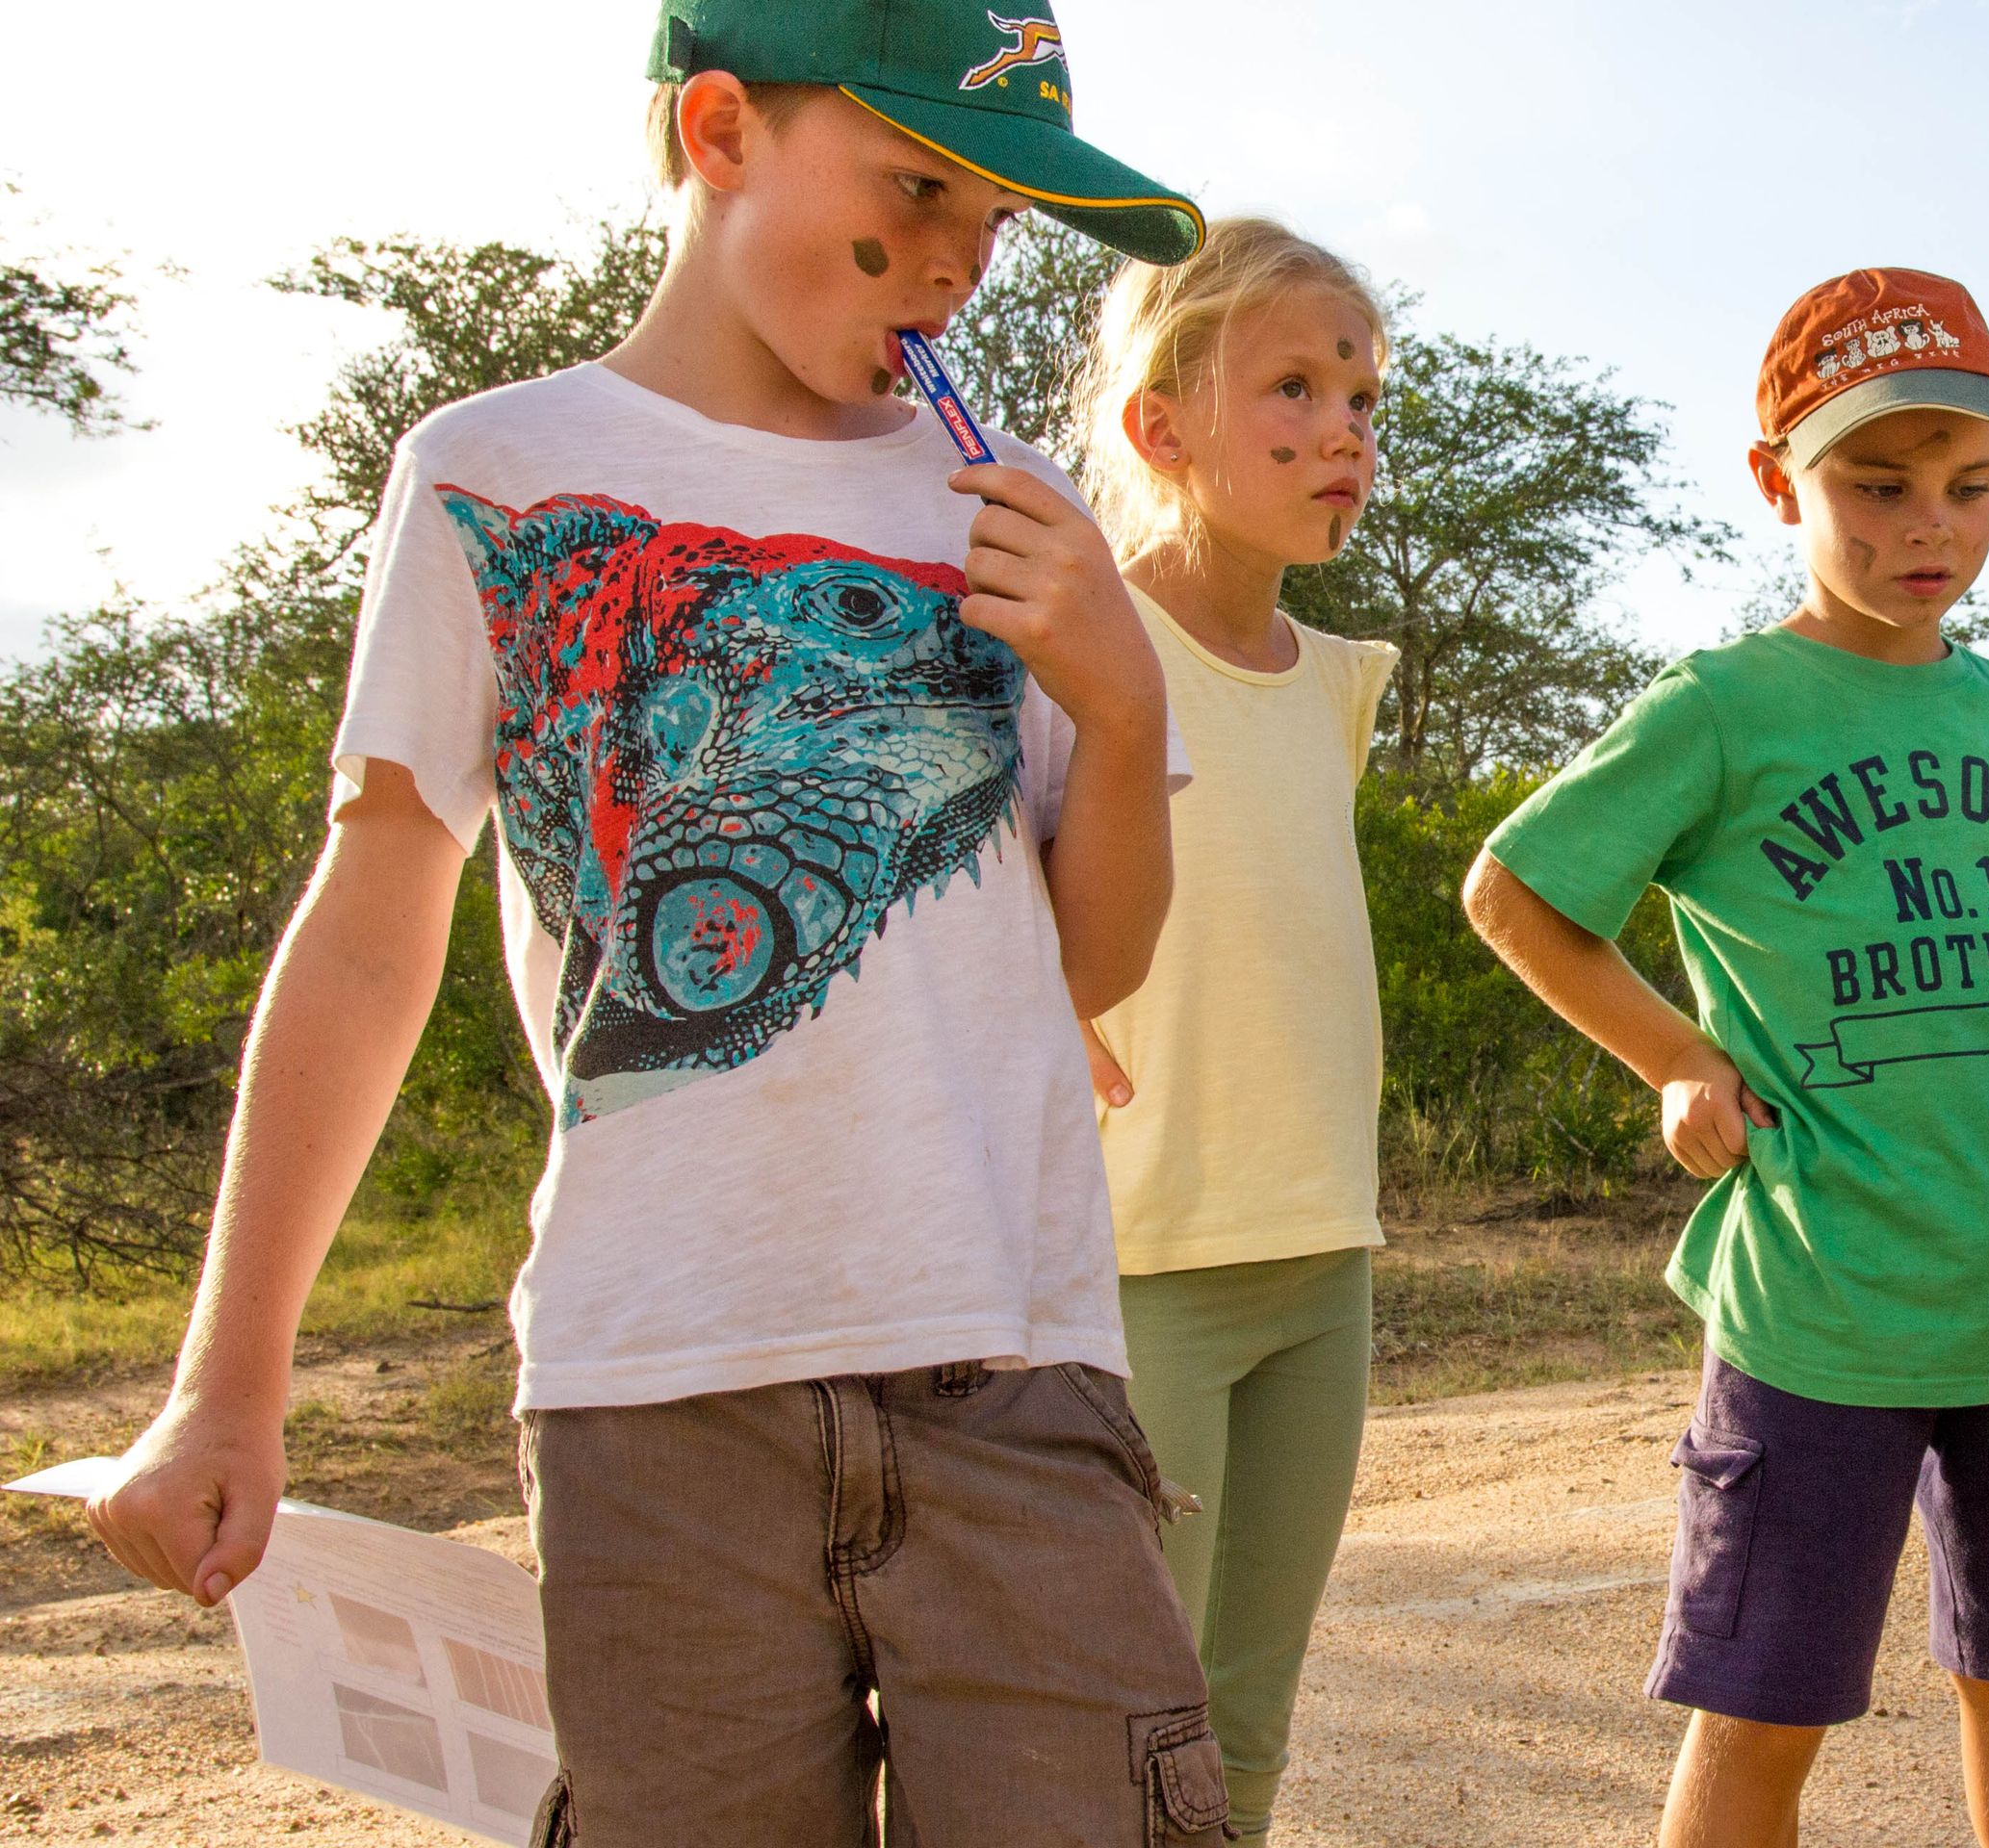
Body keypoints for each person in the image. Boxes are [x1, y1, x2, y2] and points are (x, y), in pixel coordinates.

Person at [81, 6, 1231, 1842]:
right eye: (916, 181)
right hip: (651, 1385)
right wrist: (228, 1386)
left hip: (1008, 1359)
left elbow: (1087, 969)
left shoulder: (1007, 505)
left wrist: (1124, 703)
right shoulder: (488, 471)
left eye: (997, 216)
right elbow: (373, 928)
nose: (954, 257)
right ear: (717, 131)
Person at [1460, 268, 1989, 1848]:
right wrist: (1682, 1058)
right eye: (1876, 486)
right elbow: (1513, 895)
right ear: (1780, 482)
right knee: (1764, 1707)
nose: (1927, 529)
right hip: (1821, 1296)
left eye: (1970, 490)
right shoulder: (1723, 706)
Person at [1066, 218, 1400, 1848]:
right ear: (1159, 427)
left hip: (1320, 1259)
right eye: (1293, 387)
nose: (1342, 431)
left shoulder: (1338, 679)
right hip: (1143, 1271)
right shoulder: (1079, 648)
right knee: (1134, 1722)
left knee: (1250, 1730)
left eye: (1362, 395)